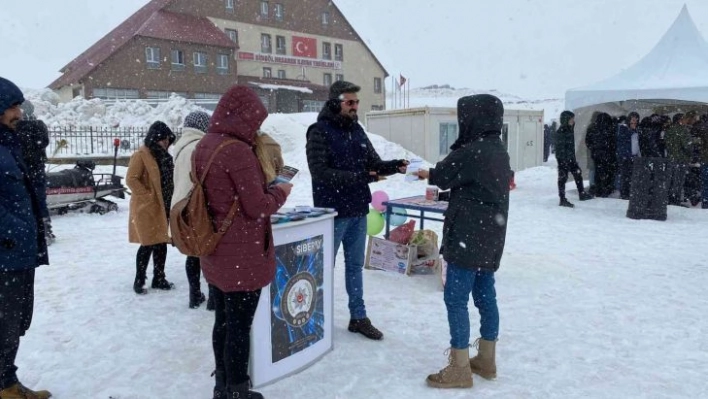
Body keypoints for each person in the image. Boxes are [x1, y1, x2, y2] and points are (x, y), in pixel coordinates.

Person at [194, 85, 291, 399]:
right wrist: (281, 191)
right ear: (242, 117)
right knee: (239, 327)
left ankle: (221, 386)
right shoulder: (237, 151)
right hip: (242, 255)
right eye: (254, 121)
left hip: (215, 249)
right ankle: (238, 390)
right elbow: (258, 206)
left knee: (222, 321)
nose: (257, 128)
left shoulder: (205, 143)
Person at [416, 94, 510, 389]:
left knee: (456, 299)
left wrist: (424, 173)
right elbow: (477, 188)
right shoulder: (497, 149)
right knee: (485, 298)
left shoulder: (472, 150)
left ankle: (459, 367)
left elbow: (442, 175)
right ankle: (486, 358)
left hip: (467, 237)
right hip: (490, 236)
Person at [305, 81, 408, 340]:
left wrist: (395, 166)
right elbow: (320, 172)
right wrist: (360, 177)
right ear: (334, 103)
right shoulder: (318, 131)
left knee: (354, 268)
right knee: (323, 268)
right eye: (349, 102)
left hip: (358, 211)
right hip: (333, 213)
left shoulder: (357, 131)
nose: (354, 107)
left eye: (356, 102)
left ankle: (358, 317)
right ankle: (315, 319)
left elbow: (373, 164)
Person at [0, 77, 52, 399]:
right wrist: (15, 232)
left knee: (15, 322)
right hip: (7, 252)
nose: (19, 112)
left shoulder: (9, 144)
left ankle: (7, 382)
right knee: (6, 325)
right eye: (12, 106)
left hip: (16, 251)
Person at [126, 121, 176, 294]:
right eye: (162, 139)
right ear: (155, 138)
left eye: (168, 139)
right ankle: (139, 280)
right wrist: (147, 195)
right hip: (147, 207)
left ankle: (159, 278)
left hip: (164, 204)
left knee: (161, 242)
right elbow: (131, 179)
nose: (165, 143)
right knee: (147, 243)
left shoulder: (164, 156)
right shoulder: (141, 155)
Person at [172, 111, 213, 309]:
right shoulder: (199, 146)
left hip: (181, 205)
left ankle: (194, 294)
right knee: (209, 252)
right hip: (199, 206)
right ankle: (213, 297)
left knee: (193, 253)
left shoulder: (180, 147)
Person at [16, 100, 54, 244]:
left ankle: (28, 231)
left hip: (21, 168)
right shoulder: (39, 125)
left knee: (22, 201)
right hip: (37, 167)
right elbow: (44, 142)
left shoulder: (15, 127)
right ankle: (45, 230)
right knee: (39, 200)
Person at [555, 110, 593, 207]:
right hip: (563, 159)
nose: (573, 120)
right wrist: (564, 161)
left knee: (578, 174)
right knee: (563, 179)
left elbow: (573, 125)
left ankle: (582, 193)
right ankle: (562, 199)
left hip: (571, 158)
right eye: (571, 119)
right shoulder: (561, 132)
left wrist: (571, 159)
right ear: (566, 119)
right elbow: (560, 149)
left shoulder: (569, 129)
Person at [665, 112, 696, 206]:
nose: (685, 121)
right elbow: (687, 145)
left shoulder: (669, 130)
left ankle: (670, 198)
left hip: (671, 158)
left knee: (671, 179)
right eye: (683, 119)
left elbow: (667, 144)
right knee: (679, 180)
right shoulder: (682, 130)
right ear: (679, 121)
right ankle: (676, 199)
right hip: (681, 159)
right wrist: (694, 143)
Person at [585, 112, 617, 197]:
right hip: (607, 155)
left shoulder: (592, 128)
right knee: (607, 172)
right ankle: (606, 189)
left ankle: (598, 189)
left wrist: (594, 149)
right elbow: (613, 143)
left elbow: (588, 141)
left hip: (597, 155)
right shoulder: (610, 128)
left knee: (597, 173)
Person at [617, 112, 641, 199]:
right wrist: (631, 130)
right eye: (633, 119)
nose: (635, 121)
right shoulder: (623, 128)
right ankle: (624, 193)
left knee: (632, 175)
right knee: (625, 175)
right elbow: (622, 140)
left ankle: (630, 192)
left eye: (636, 119)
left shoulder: (637, 129)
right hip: (625, 156)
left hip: (634, 156)